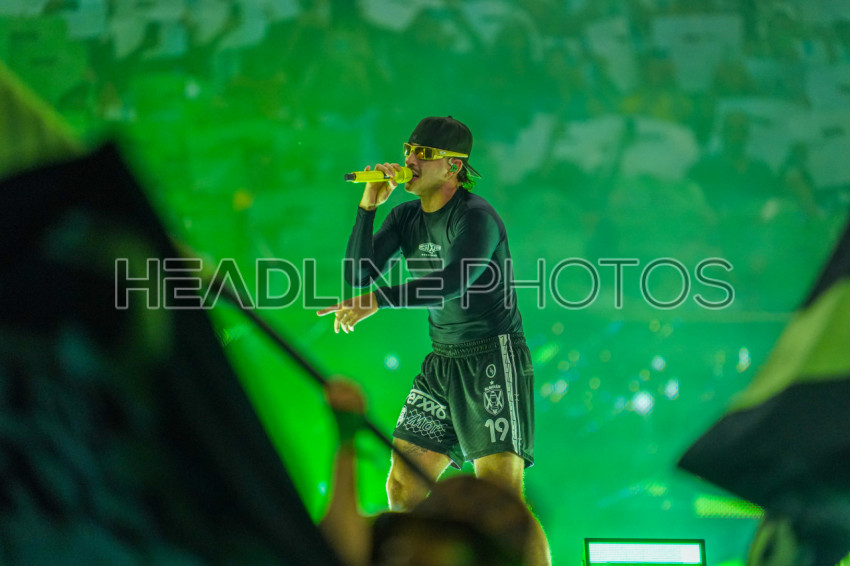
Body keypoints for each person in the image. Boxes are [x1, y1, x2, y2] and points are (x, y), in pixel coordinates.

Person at [317, 116, 550, 565]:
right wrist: (368, 207)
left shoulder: (476, 217)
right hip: (443, 360)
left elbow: (451, 282)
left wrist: (378, 300)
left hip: (491, 357)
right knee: (403, 486)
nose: (409, 160)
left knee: (501, 501)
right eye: (408, 149)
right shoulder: (405, 216)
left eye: (423, 154)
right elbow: (358, 276)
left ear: (453, 166)